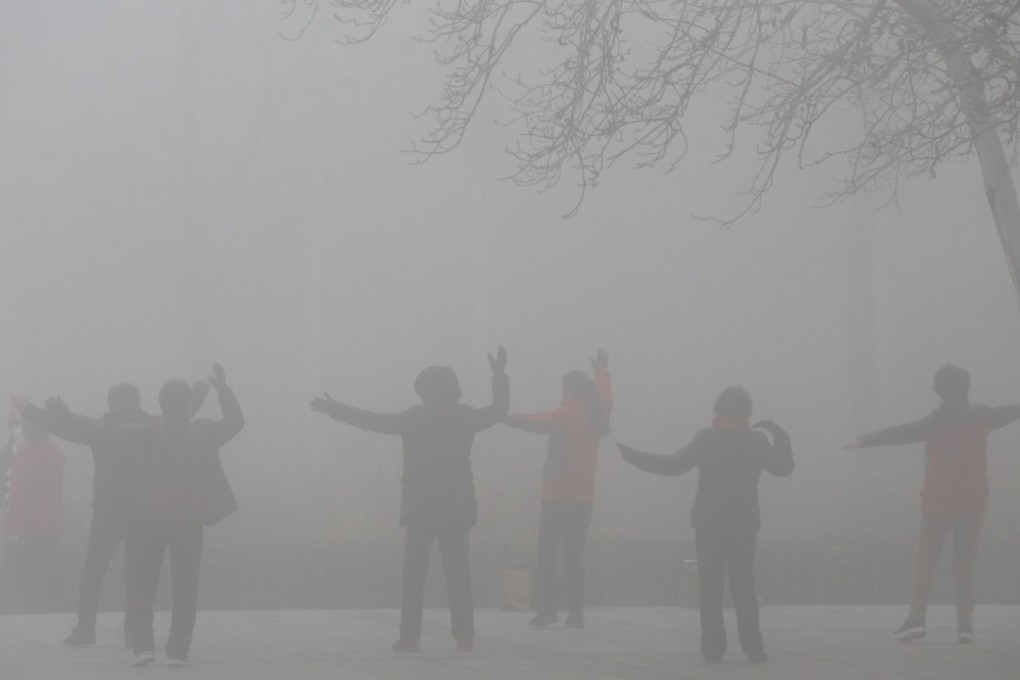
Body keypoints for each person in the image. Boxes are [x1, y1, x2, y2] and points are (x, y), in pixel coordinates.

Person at [23, 364, 242, 667]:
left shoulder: (138, 429)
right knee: (183, 585)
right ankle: (167, 648)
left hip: (138, 515)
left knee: (130, 579)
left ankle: (125, 641)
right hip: (182, 518)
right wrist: (218, 388)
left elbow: (91, 429)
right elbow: (216, 416)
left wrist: (54, 414)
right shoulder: (182, 428)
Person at [311, 347, 509, 652]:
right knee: (459, 574)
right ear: (453, 388)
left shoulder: (415, 418)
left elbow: (372, 421)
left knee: (414, 575)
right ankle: (465, 635)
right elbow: (499, 409)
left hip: (421, 507)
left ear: (424, 391)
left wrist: (336, 410)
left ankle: (409, 636)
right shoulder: (465, 416)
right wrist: (498, 375)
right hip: (457, 506)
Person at [845, 364, 1020, 644]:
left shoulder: (936, 422)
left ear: (938, 390)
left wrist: (863, 441)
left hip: (939, 500)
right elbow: (1013, 410)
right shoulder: (985, 416)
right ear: (967, 387)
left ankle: (917, 619)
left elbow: (901, 433)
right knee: (964, 564)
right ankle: (965, 626)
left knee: (926, 560)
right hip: (974, 500)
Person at [619, 387, 792, 664]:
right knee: (744, 587)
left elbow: (674, 465)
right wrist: (780, 435)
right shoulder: (756, 441)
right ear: (746, 413)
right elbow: (784, 468)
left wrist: (637, 458)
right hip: (744, 525)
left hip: (709, 524)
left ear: (719, 411)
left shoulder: (708, 438)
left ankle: (713, 649)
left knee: (710, 588)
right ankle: (754, 649)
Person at [58, 382, 207, 647]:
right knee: (136, 576)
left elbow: (68, 429)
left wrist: (38, 412)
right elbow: (183, 412)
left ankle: (86, 628)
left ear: (111, 402)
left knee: (94, 571)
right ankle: (132, 632)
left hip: (108, 510)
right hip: (140, 509)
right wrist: (202, 388)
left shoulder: (105, 430)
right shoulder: (151, 426)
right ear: (137, 400)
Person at [503, 348, 612, 629]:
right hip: (583, 497)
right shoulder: (597, 410)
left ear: (570, 390)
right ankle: (576, 614)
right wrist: (601, 369)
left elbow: (536, 421)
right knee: (574, 556)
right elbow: (605, 393)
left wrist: (505, 417)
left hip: (556, 496)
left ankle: (548, 609)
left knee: (547, 555)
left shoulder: (568, 413)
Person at [3, 404, 66, 613]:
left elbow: (20, 493)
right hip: (42, 524)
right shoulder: (51, 453)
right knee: (42, 568)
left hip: (31, 525)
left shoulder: (29, 455)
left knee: (30, 569)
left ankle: (37, 607)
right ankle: (46, 606)